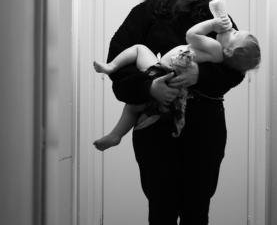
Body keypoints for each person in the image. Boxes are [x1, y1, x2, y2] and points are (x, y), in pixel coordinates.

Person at [103, 0, 246, 225]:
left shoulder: (217, 20)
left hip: (205, 127)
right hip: (155, 128)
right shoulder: (144, 14)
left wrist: (199, 75)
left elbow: (237, 69)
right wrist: (149, 88)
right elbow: (117, 72)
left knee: (196, 218)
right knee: (161, 217)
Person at [93, 14, 260, 151]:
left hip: (162, 71)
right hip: (167, 78)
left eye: (235, 34)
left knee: (139, 49)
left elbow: (191, 35)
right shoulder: (218, 55)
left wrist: (213, 24)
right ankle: (116, 135)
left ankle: (111, 66)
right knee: (133, 106)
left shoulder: (216, 48)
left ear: (229, 50)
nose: (232, 28)